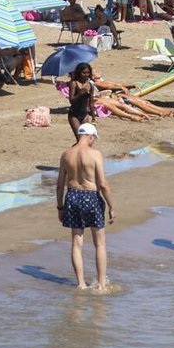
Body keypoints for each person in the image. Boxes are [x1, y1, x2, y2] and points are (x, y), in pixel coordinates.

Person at [56, 123, 114, 290]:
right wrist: (111, 206)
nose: (94, 141)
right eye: (94, 138)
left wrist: (60, 207)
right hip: (91, 196)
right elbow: (103, 184)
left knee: (76, 242)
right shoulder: (95, 154)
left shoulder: (66, 154)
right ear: (90, 136)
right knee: (100, 244)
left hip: (73, 196)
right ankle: (101, 285)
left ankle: (81, 284)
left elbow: (60, 185)